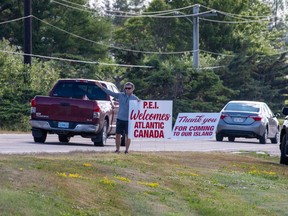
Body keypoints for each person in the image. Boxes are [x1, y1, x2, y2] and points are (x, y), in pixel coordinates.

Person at [95, 81, 139, 154]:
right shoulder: (120, 95)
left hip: (129, 120)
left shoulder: (134, 98)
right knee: (118, 135)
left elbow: (141, 106)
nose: (127, 89)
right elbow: (110, 93)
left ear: (132, 89)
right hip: (120, 119)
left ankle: (126, 150)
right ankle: (117, 149)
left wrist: (140, 102)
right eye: (126, 88)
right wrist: (101, 87)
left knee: (128, 136)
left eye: (129, 88)